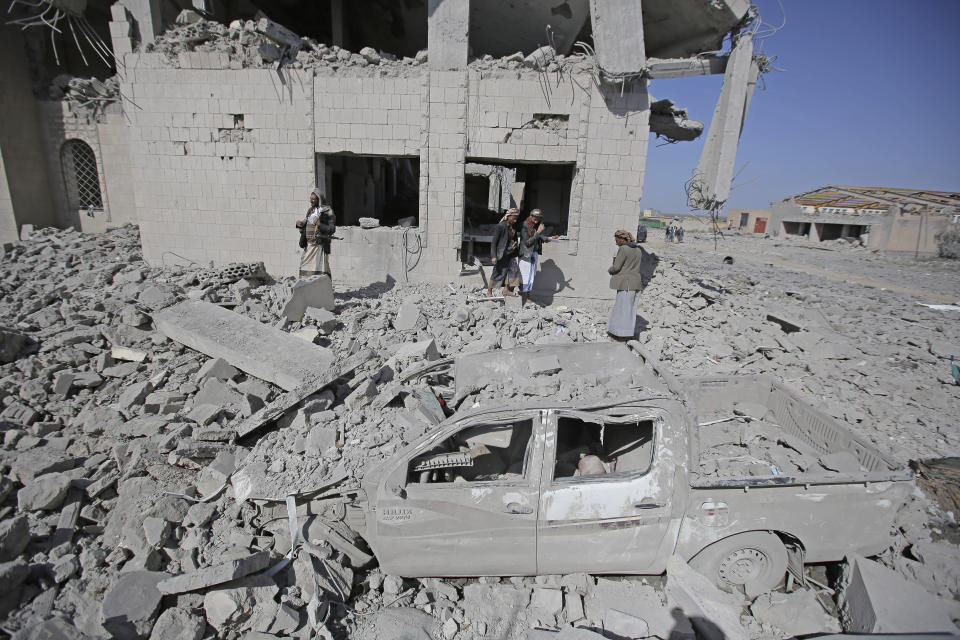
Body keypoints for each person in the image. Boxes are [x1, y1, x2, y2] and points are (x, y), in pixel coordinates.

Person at [606, 229, 646, 342]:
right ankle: (625, 334)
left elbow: (617, 267)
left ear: (622, 239)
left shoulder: (623, 249)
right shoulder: (638, 250)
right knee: (629, 311)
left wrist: (610, 270)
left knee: (622, 310)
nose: (616, 242)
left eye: (616, 240)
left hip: (626, 285)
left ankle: (620, 337)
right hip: (636, 284)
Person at [518, 208, 558, 305]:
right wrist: (538, 232)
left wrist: (550, 238)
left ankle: (527, 298)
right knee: (525, 276)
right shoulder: (525, 225)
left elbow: (539, 237)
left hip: (533, 254)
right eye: (535, 218)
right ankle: (524, 298)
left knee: (531, 277)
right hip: (526, 255)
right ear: (531, 216)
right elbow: (527, 242)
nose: (537, 220)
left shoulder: (534, 225)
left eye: (538, 218)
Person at [296, 189, 336, 278]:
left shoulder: (328, 211)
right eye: (311, 198)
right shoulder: (310, 210)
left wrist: (319, 224)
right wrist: (301, 225)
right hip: (309, 246)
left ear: (319, 199)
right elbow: (306, 225)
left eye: (314, 199)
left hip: (320, 247)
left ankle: (322, 291)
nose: (311, 201)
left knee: (321, 272)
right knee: (305, 270)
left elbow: (332, 229)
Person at [487, 208, 521, 297]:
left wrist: (515, 246)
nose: (515, 220)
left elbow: (514, 239)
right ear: (508, 216)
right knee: (497, 272)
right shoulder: (501, 226)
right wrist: (493, 256)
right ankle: (489, 291)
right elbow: (494, 242)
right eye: (514, 217)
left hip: (511, 253)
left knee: (512, 271)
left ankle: (506, 290)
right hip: (502, 253)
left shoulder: (514, 227)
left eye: (517, 218)